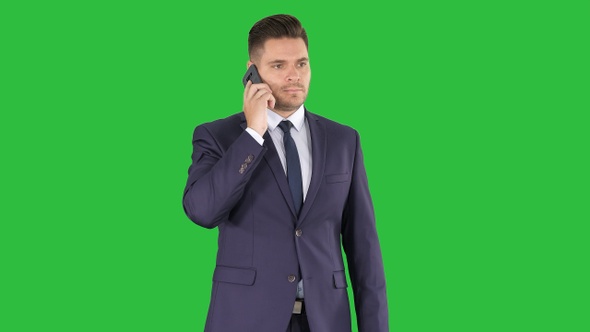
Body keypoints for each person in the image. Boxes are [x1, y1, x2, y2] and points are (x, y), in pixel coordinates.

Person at [182, 14, 388, 332]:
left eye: (301, 64)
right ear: (252, 71)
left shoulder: (344, 140)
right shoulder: (218, 137)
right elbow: (202, 211)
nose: (294, 76)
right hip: (245, 319)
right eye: (279, 66)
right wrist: (252, 134)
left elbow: (365, 249)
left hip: (325, 321)